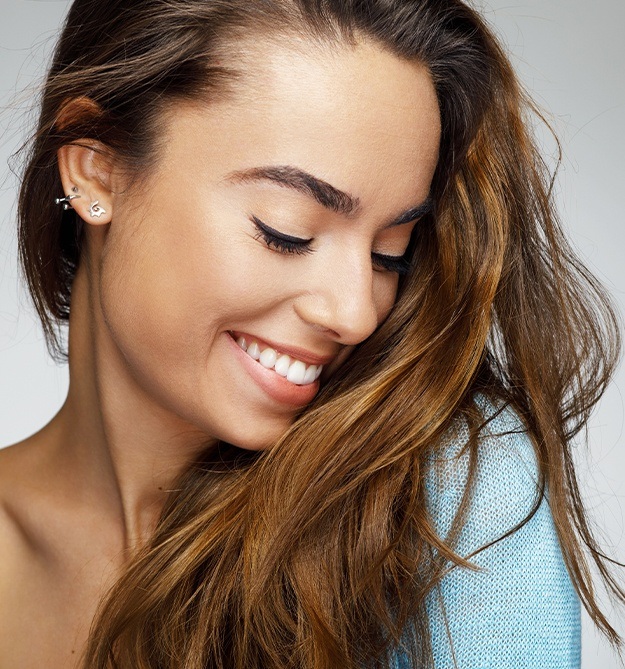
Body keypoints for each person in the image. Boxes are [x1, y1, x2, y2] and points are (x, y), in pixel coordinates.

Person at [1, 0, 623, 667]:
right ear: (97, 170)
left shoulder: (452, 491)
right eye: (286, 231)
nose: (355, 313)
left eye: (391, 251)